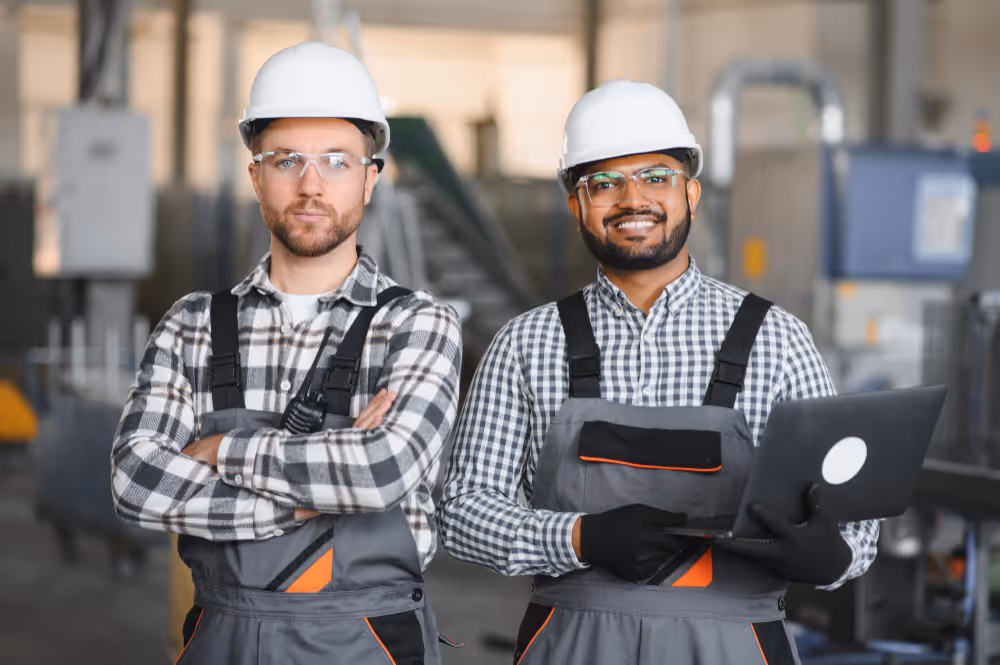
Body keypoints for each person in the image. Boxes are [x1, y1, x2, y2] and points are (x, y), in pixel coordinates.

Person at [438, 79, 879, 665]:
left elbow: (854, 519)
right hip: (576, 644)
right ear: (576, 207)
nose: (631, 199)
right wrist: (579, 537)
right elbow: (464, 510)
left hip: (734, 646)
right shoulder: (526, 342)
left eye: (655, 176)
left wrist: (831, 556)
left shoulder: (777, 339)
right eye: (604, 183)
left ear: (691, 195)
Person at [111, 41, 462, 665]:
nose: (310, 184)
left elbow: (380, 469)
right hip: (224, 637)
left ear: (370, 177)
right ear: (255, 175)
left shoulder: (419, 324)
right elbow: (137, 482)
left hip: (369, 641)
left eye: (336, 160)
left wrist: (222, 451)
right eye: (286, 160)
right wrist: (311, 497)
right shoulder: (192, 323)